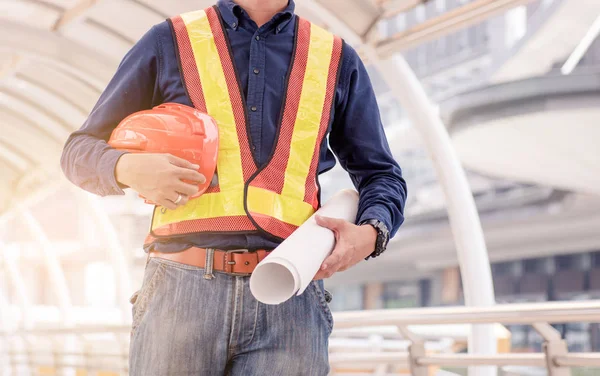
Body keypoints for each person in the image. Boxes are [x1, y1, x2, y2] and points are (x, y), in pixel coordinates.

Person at [61, 0, 407, 374]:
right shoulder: (170, 41)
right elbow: (78, 151)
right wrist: (127, 166)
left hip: (289, 295)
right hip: (181, 292)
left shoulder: (336, 58)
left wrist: (371, 234)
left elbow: (381, 175)